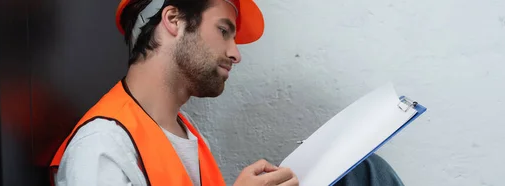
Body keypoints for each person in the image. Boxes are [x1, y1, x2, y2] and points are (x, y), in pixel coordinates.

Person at [49, 0, 405, 185]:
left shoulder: (186, 135)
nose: (236, 52)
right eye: (224, 31)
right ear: (172, 20)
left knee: (362, 172)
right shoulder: (101, 146)